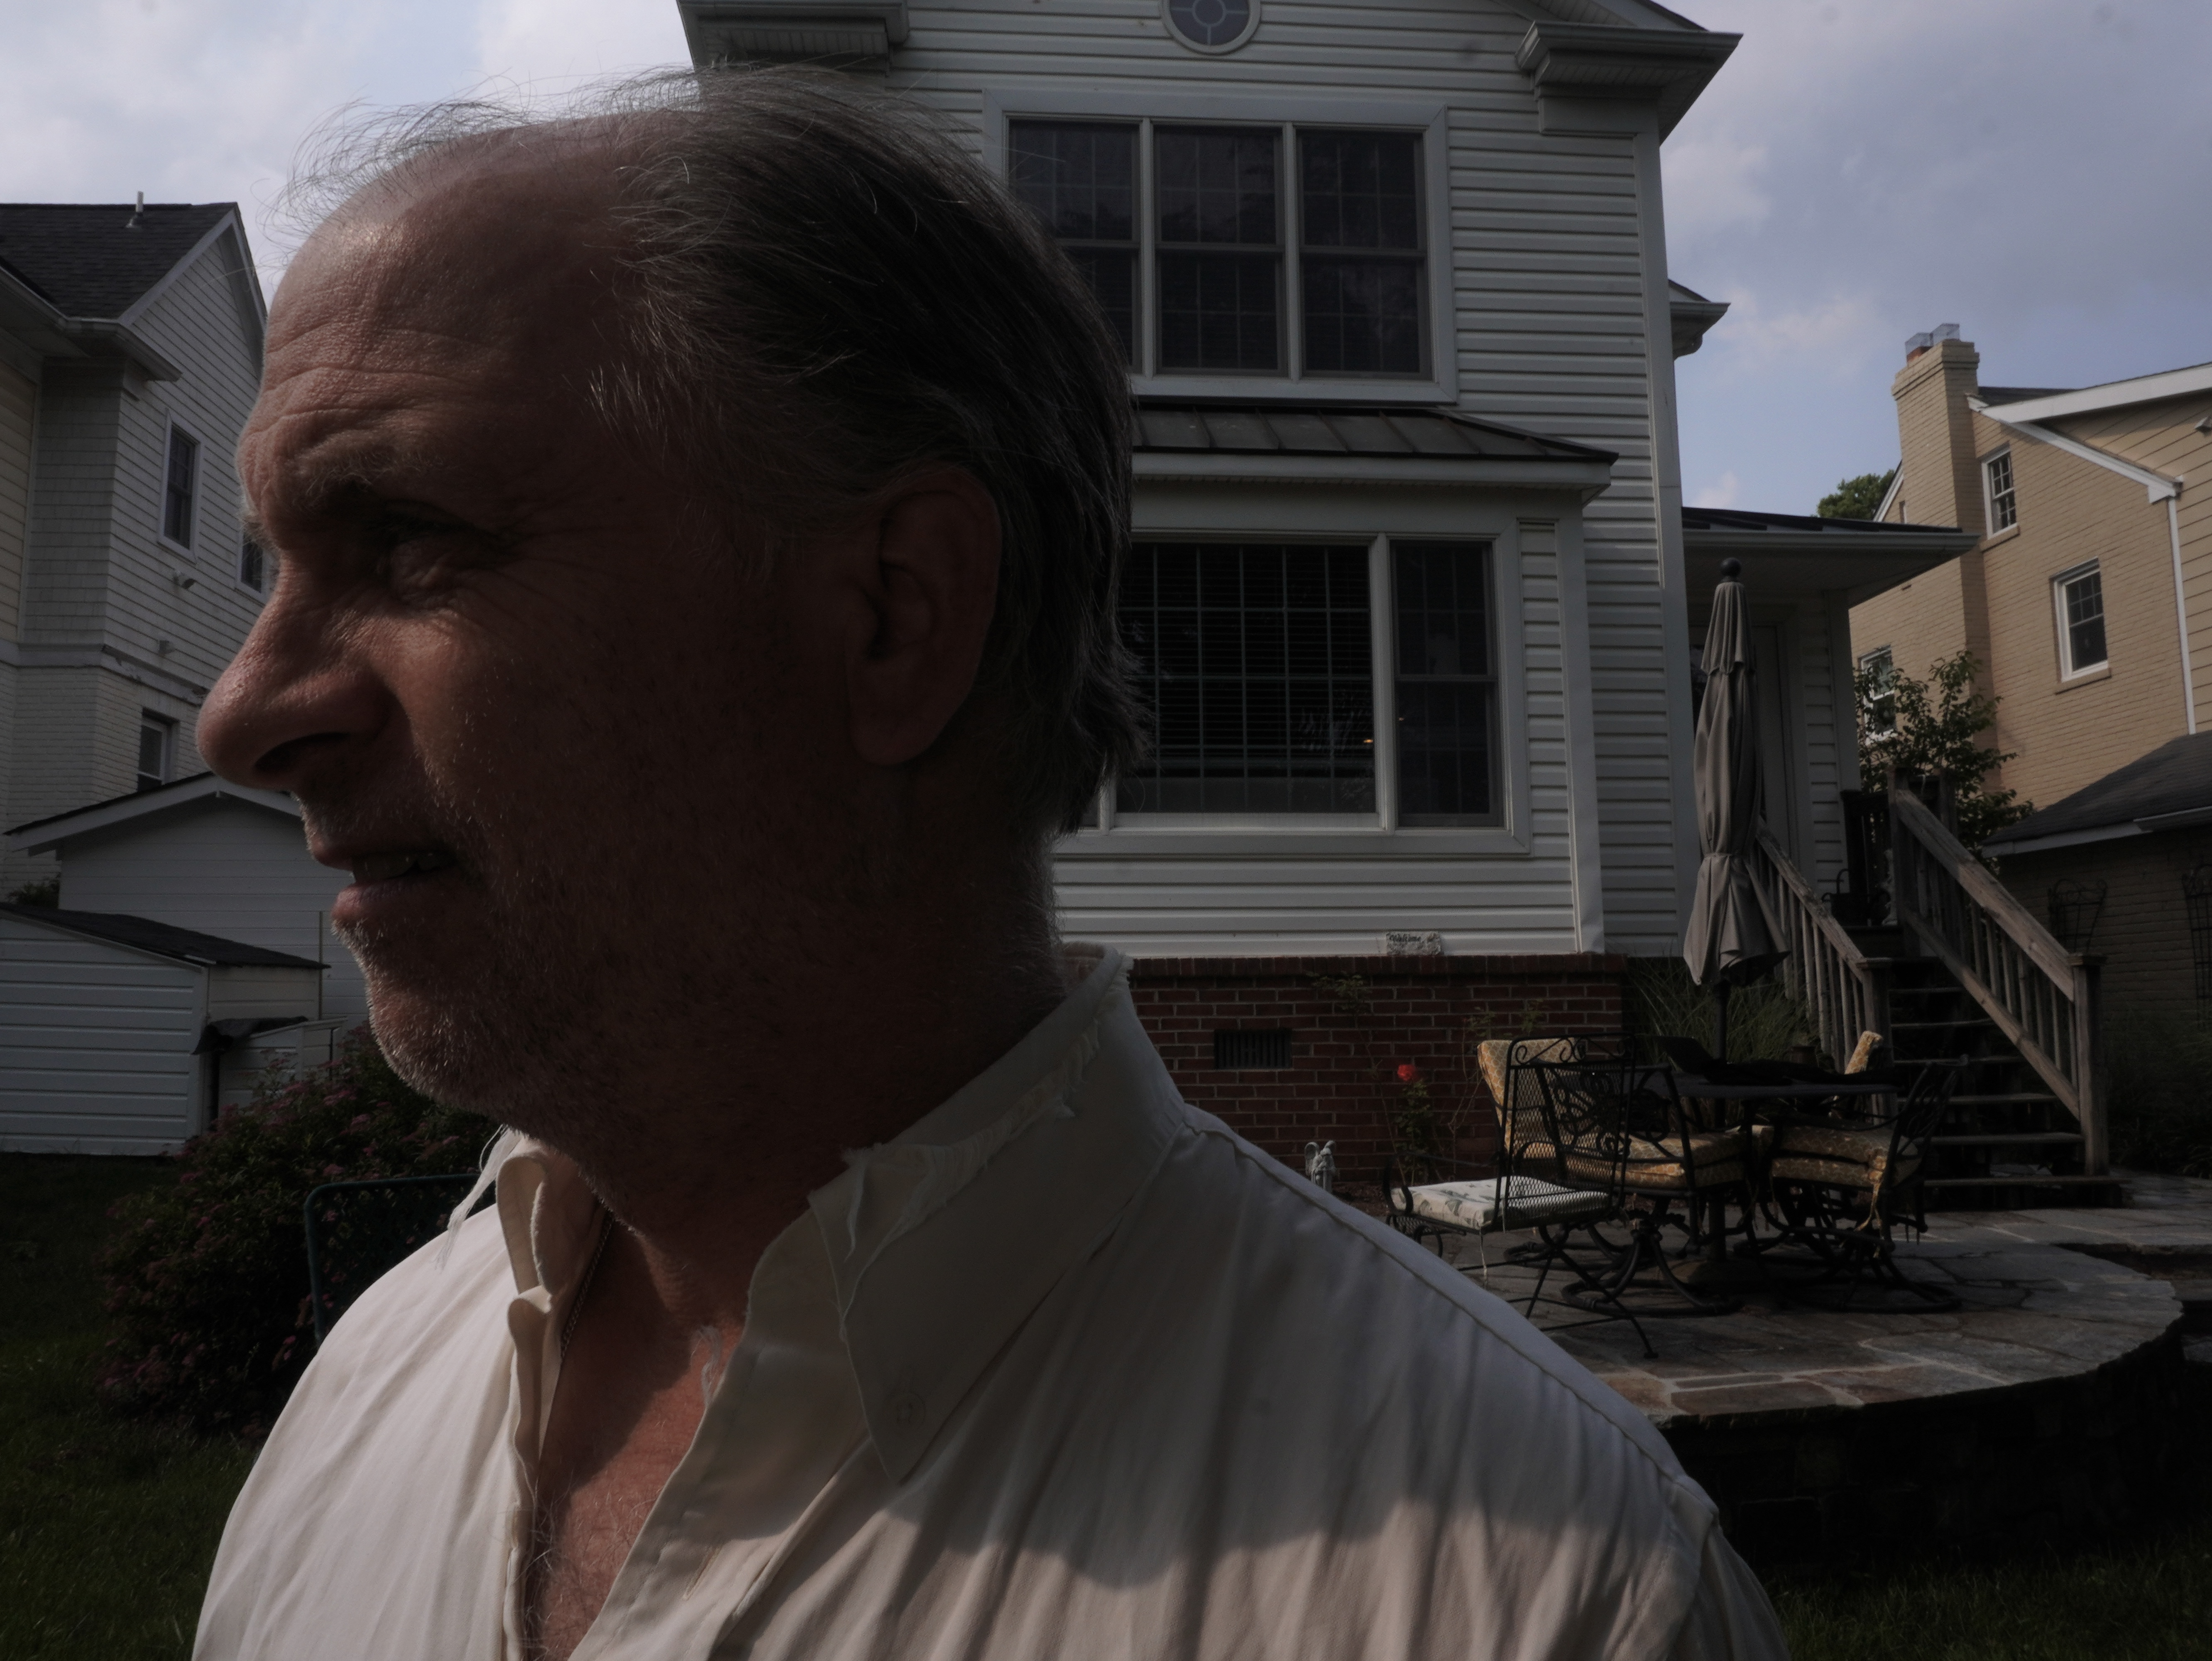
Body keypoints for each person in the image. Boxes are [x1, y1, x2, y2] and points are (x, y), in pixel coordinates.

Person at [193, 69, 1787, 1661]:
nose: (240, 714)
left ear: (897, 614)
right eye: (276, 571)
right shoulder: (367, 1394)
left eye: (408, 541)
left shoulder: (1548, 1601)